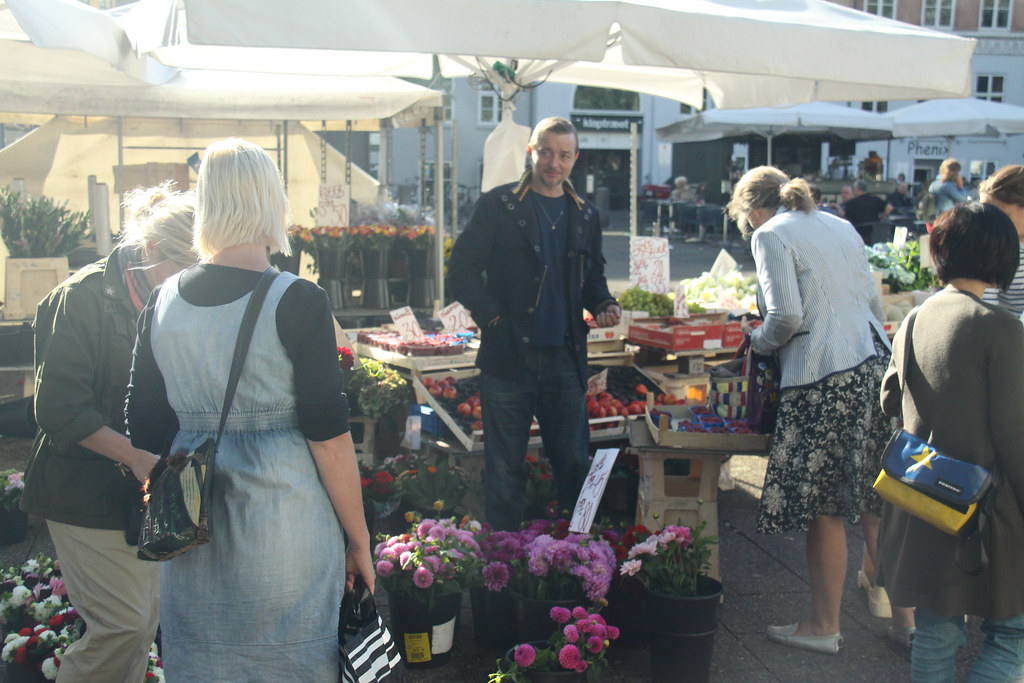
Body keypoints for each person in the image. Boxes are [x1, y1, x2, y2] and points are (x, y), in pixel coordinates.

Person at [126, 138, 373, 679]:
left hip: (193, 526)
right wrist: (359, 538)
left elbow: (142, 426)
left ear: (206, 203)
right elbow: (329, 439)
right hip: (286, 520)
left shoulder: (160, 302)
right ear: (271, 202)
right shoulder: (297, 299)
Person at [21, 184, 198, 682]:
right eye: (181, 268)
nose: (189, 282)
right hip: (83, 492)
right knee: (124, 626)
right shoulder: (81, 298)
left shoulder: (172, 297)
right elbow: (58, 409)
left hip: (146, 493)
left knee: (142, 627)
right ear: (148, 252)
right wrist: (137, 457)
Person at [726, 166, 898, 655]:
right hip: (872, 364)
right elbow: (871, 299)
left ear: (750, 211)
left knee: (825, 509)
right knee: (874, 499)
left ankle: (824, 625)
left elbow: (787, 316)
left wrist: (755, 339)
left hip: (823, 376)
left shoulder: (770, 235)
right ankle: (906, 622)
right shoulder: (839, 224)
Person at [447, 117, 620, 531]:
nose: (553, 163)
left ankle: (575, 556)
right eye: (545, 152)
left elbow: (592, 277)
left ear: (575, 159)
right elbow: (461, 272)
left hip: (565, 357)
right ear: (531, 152)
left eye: (563, 155)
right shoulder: (498, 204)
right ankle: (502, 564)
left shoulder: (585, 215)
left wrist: (604, 302)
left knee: (574, 463)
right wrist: (494, 319)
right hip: (509, 357)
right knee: (504, 469)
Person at [876, 202, 1024, 681]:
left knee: (936, 632)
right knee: (1011, 637)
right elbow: (1015, 432)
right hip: (988, 510)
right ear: (1004, 255)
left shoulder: (919, 316)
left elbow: (889, 399)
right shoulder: (1002, 328)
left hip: (925, 497)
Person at [979, 165, 1024, 315]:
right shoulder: (991, 249)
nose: (992, 224)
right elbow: (985, 312)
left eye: (1002, 216)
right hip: (1006, 335)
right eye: (984, 215)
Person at [843, 179, 891, 244]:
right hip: (874, 233)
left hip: (858, 234)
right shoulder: (875, 200)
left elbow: (845, 219)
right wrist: (882, 218)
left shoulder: (851, 203)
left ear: (856, 189)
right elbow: (889, 208)